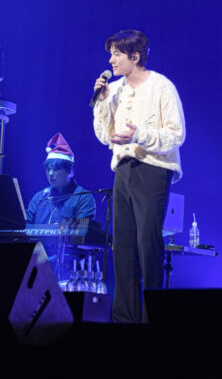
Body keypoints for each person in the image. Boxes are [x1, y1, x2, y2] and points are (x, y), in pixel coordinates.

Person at [92, 29, 185, 323]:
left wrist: (139, 135)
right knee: (122, 245)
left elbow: (177, 134)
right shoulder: (114, 89)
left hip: (153, 168)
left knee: (148, 243)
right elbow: (103, 136)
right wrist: (102, 102)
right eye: (110, 54)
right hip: (122, 168)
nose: (111, 60)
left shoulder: (162, 87)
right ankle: (124, 319)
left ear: (135, 56)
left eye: (117, 54)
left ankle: (152, 318)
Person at [25, 132, 96, 282]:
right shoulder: (39, 198)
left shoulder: (83, 197)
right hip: (36, 266)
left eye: (56, 169)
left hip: (70, 269)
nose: (51, 173)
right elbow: (24, 228)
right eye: (48, 169)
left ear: (70, 171)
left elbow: (81, 234)